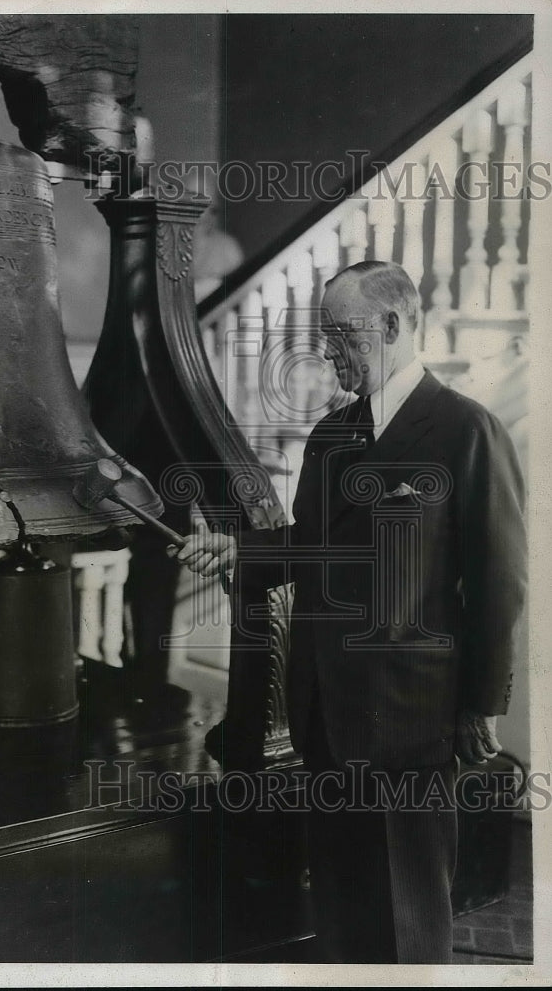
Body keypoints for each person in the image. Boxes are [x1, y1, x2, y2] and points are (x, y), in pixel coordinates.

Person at [168, 261, 527, 963]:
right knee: (340, 907)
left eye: (341, 333)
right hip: (325, 708)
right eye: (322, 332)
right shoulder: (332, 436)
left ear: (391, 325)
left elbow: (499, 583)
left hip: (413, 719)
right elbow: (315, 546)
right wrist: (237, 551)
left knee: (406, 920)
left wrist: (481, 705)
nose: (326, 348)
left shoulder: (466, 432)